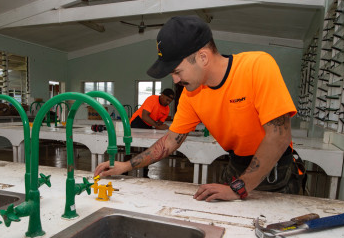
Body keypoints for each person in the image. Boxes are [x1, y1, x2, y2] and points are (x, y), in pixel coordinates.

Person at [95, 15, 304, 201]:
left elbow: (279, 137)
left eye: (177, 71)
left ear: (203, 57)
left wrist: (238, 188)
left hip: (276, 171)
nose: (176, 80)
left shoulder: (257, 67)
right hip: (235, 166)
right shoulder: (191, 94)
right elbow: (169, 141)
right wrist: (126, 166)